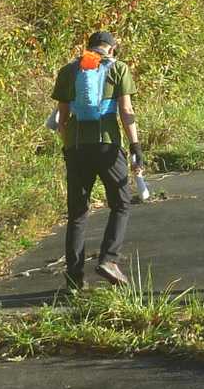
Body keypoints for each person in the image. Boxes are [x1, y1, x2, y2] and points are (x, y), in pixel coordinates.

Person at [52, 30, 142, 289]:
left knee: (77, 212)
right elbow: (126, 110)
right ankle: (109, 260)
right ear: (111, 49)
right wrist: (135, 146)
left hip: (76, 147)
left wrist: (68, 146)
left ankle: (74, 277)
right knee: (121, 203)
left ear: (89, 48)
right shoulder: (118, 68)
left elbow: (62, 119)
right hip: (107, 145)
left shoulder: (68, 71)